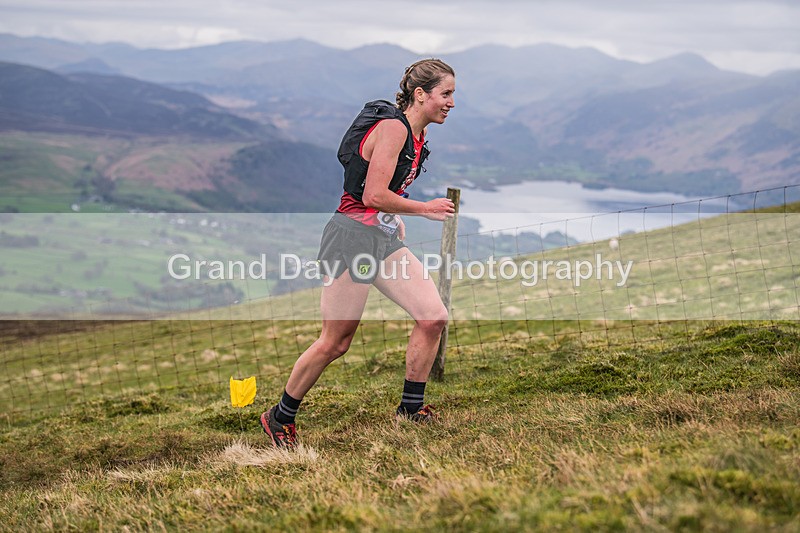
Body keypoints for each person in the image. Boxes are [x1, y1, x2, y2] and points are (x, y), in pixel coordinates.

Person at [261, 58, 456, 448]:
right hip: (350, 238)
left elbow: (382, 195)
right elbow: (371, 195)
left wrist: (392, 215)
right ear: (421, 95)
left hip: (379, 238)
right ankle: (279, 417)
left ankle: (410, 409)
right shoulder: (392, 129)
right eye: (446, 94)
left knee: (432, 317)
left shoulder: (416, 136)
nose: (451, 103)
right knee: (336, 341)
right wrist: (423, 208)